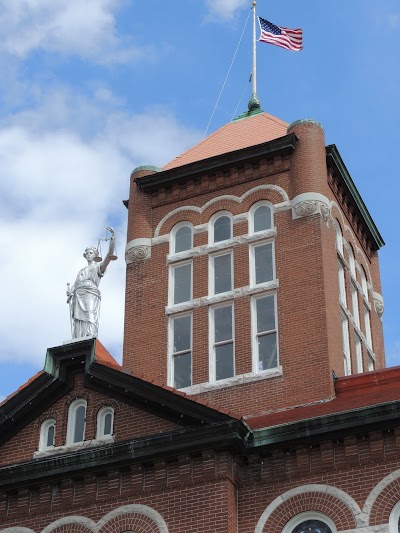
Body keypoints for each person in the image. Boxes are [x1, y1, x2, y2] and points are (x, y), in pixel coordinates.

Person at [67, 227, 116, 338]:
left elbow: (109, 255)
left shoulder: (98, 267)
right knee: (78, 319)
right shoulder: (81, 271)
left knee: (90, 315)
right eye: (87, 253)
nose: (89, 255)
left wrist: (113, 239)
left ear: (95, 255)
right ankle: (79, 336)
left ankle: (90, 335)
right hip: (78, 294)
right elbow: (75, 284)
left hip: (90, 293)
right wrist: (70, 292)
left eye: (91, 253)